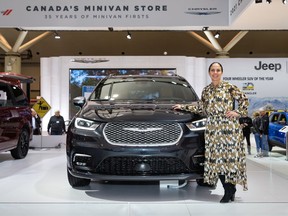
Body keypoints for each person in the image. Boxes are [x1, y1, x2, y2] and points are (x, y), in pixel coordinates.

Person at [173, 62, 249, 203]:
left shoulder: (229, 87)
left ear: (221, 72)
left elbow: (244, 99)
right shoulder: (206, 90)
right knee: (217, 161)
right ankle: (229, 190)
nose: (215, 72)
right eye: (213, 70)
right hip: (213, 129)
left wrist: (237, 112)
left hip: (229, 128)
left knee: (230, 161)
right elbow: (201, 108)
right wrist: (183, 107)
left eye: (218, 70)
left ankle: (229, 190)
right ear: (209, 72)